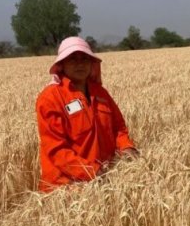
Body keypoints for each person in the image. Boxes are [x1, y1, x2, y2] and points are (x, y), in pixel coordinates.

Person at [36, 36, 137, 192]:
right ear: (61, 65)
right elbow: (57, 149)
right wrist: (91, 171)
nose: (80, 64)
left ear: (92, 64)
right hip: (66, 187)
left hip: (104, 178)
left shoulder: (101, 93)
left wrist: (126, 147)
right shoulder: (50, 98)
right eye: (73, 59)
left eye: (84, 58)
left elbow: (118, 128)